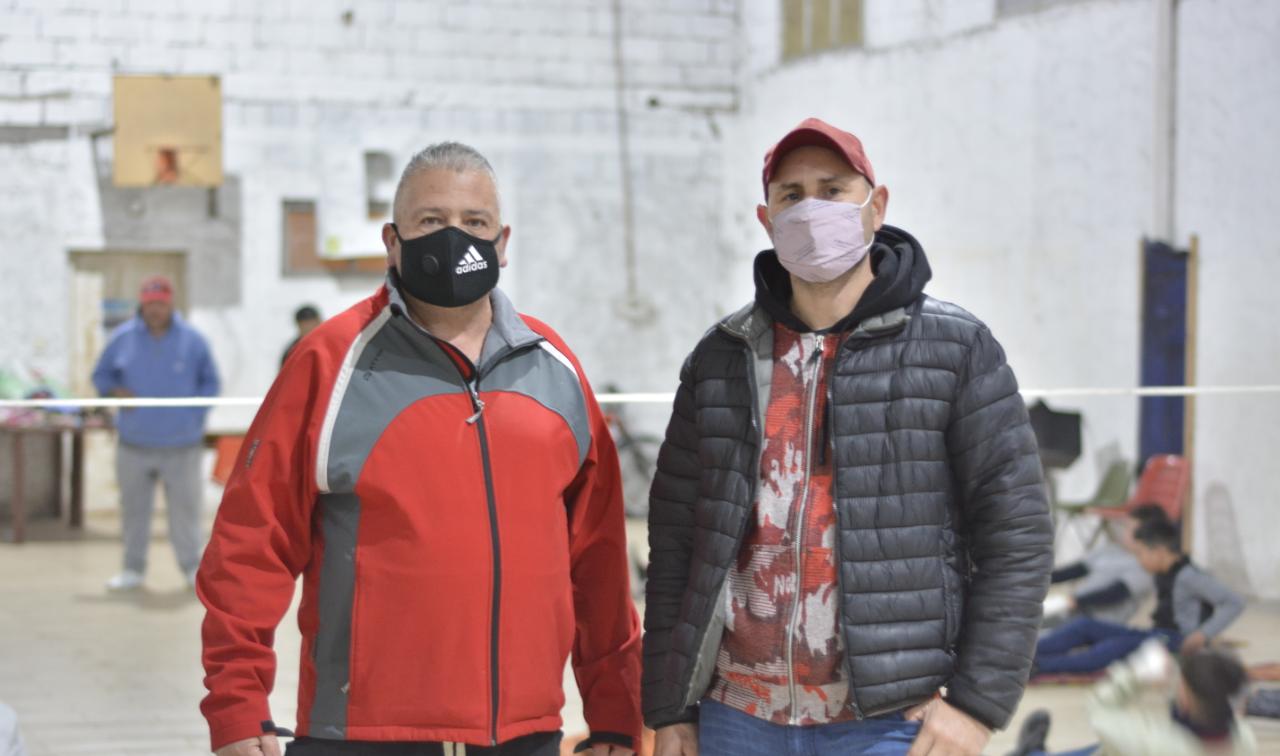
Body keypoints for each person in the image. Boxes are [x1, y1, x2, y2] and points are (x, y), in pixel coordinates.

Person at [197, 142, 641, 756]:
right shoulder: (330, 362)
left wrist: (615, 711)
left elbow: (600, 560)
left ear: (503, 242)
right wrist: (237, 705)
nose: (455, 238)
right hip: (362, 734)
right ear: (393, 240)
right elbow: (251, 541)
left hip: (524, 734)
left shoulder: (553, 369)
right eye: (431, 220)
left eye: (475, 222)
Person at [642, 117, 1054, 756]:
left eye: (832, 190)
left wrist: (976, 705)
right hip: (736, 716)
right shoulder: (721, 357)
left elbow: (1016, 537)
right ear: (766, 219)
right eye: (792, 195)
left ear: (876, 206)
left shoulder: (955, 350)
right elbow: (675, 543)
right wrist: (670, 706)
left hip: (890, 721)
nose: (812, 210)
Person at [91, 275, 220, 590]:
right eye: (150, 304)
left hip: (182, 445)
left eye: (160, 304)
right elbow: (101, 375)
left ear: (170, 303)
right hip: (134, 444)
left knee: (185, 512)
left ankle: (192, 568)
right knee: (134, 511)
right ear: (142, 304)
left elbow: (211, 382)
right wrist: (115, 391)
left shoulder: (193, 340)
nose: (155, 310)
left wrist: (193, 416)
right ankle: (132, 569)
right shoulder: (122, 338)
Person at [1034, 519, 1245, 677]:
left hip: (1175, 640)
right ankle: (1028, 653)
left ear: (1159, 551)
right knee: (1085, 626)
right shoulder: (1164, 572)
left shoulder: (1189, 576)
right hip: (1157, 633)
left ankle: (1039, 666)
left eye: (1141, 553)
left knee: (1113, 647)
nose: (1139, 560)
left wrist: (1203, 635)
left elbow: (1234, 603)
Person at [1009, 643, 1257, 755]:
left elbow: (1099, 708)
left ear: (1187, 698)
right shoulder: (1245, 738)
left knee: (1106, 747)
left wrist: (1136, 674)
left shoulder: (1145, 740)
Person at [1044, 504, 1169, 626]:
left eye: (1131, 529)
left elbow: (1116, 593)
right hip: (1071, 612)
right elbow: (1074, 571)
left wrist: (1077, 601)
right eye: (1126, 526)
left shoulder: (1145, 566)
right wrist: (1039, 577)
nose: (1125, 532)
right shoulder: (1111, 549)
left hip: (1097, 622)